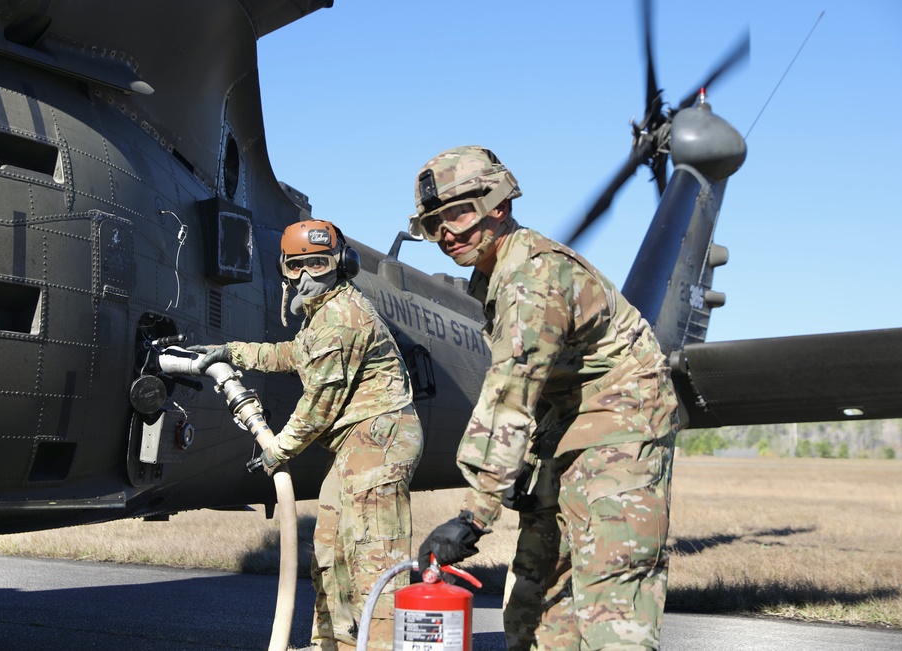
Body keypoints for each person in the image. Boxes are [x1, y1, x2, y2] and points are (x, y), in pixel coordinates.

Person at [409, 146, 679, 651]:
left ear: (498, 205)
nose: (446, 233)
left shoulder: (531, 278)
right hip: (564, 420)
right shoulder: (495, 275)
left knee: (611, 597)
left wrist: (474, 516)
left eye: (459, 213)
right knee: (535, 586)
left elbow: (512, 393)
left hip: (622, 419)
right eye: (433, 224)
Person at [190, 219, 423, 651]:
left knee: (375, 559)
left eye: (317, 264)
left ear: (340, 264)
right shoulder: (319, 319)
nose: (306, 276)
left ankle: (384, 645)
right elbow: (291, 355)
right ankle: (333, 642)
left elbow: (319, 405)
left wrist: (278, 450)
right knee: (331, 550)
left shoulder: (341, 317)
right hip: (356, 443)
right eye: (296, 266)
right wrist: (231, 351)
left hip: (379, 439)